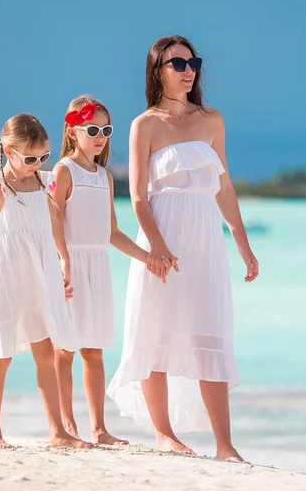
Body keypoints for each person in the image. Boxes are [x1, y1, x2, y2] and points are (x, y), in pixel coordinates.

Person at [107, 36, 259, 461]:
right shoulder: (145, 124)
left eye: (193, 62)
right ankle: (164, 434)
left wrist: (243, 245)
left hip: (207, 240)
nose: (188, 69)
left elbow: (223, 186)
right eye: (178, 63)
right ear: (158, 71)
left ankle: (225, 446)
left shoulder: (212, 120)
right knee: (154, 328)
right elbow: (137, 196)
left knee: (209, 331)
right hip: (162, 233)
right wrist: (156, 246)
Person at [0, 113, 90, 449]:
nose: (37, 163)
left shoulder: (45, 183)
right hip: (5, 278)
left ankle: (57, 432)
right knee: (1, 356)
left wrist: (63, 263)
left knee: (45, 353)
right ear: (7, 150)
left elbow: (53, 228)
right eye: (30, 158)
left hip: (40, 277)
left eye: (43, 157)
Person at [50, 95, 169, 445]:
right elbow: (53, 217)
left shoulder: (104, 177)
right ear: (73, 132)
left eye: (106, 129)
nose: (100, 136)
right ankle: (66, 425)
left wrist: (147, 257)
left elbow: (112, 232)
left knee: (94, 350)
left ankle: (99, 429)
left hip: (98, 266)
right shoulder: (63, 171)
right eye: (92, 129)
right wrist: (62, 260)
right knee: (65, 348)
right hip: (70, 263)